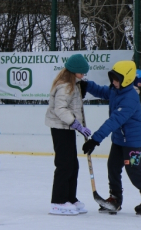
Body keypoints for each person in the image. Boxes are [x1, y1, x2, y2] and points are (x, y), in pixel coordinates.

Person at [81, 61, 141, 215]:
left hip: (132, 141)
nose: (113, 82)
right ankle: (115, 198)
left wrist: (95, 139)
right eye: (112, 78)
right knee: (113, 167)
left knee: (133, 170)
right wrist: (87, 85)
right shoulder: (116, 90)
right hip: (119, 139)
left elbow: (114, 120)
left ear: (126, 79)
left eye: (116, 79)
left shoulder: (130, 98)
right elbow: (103, 91)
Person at [44, 54, 91, 215]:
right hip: (60, 128)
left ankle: (70, 197)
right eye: (82, 72)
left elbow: (75, 106)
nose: (83, 75)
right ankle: (58, 201)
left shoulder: (74, 85)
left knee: (73, 164)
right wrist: (76, 124)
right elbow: (60, 109)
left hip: (68, 128)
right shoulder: (64, 86)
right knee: (64, 165)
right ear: (74, 71)